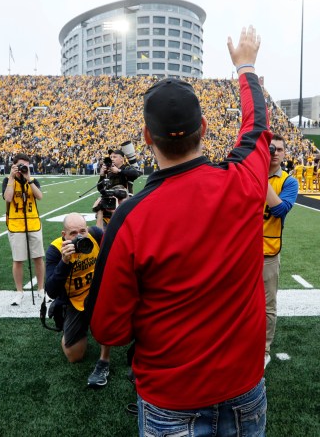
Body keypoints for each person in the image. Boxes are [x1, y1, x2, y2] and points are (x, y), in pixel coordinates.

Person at [87, 26, 268, 436]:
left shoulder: (131, 217)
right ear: (203, 127)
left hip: (171, 397)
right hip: (244, 388)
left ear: (147, 137)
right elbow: (256, 126)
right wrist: (246, 67)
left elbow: (108, 329)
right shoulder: (243, 183)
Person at [44, 213, 109, 387]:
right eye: (73, 233)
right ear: (63, 234)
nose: (80, 236)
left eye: (82, 231)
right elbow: (50, 290)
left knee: (108, 324)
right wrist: (64, 262)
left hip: (96, 294)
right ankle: (70, 324)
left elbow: (114, 237)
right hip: (74, 299)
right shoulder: (56, 250)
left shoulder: (95, 235)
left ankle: (104, 359)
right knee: (75, 356)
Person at [263, 133, 298, 368]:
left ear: (285, 154)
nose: (274, 152)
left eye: (279, 149)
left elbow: (279, 210)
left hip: (267, 252)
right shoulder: (244, 175)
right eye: (270, 148)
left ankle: (263, 348)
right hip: (240, 251)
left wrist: (258, 177)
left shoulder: (288, 181)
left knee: (267, 306)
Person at [2, 153, 45, 306]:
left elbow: (39, 196)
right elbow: (7, 198)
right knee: (18, 260)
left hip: (33, 223)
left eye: (25, 166)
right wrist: (12, 178)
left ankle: (41, 289)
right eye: (20, 165)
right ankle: (19, 292)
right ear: (14, 166)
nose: (23, 168)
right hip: (15, 224)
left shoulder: (32, 180)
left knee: (38, 258)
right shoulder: (8, 180)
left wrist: (29, 179)